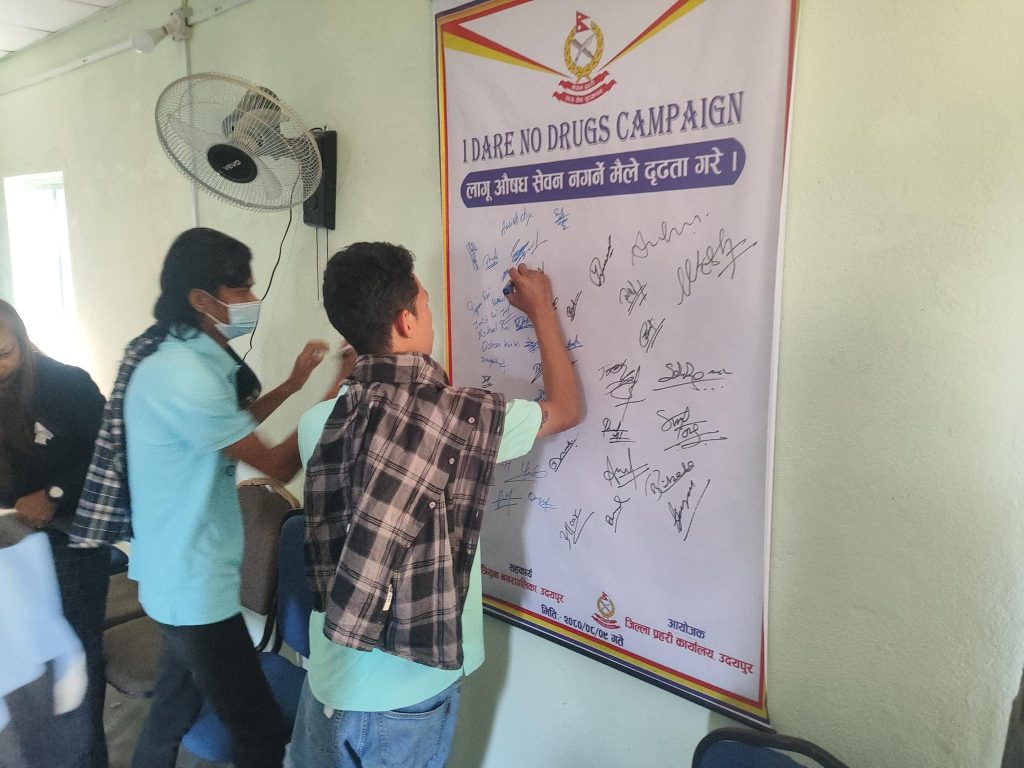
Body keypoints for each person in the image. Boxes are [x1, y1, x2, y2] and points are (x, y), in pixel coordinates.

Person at [290, 242, 582, 768]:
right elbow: (565, 409)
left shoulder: (317, 423)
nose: (430, 314)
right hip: (408, 693)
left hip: (330, 681)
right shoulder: (462, 419)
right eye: (425, 304)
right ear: (405, 322)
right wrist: (542, 311)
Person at [102, 227, 326, 768]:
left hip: (176, 577)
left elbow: (227, 429)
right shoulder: (184, 374)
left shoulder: (184, 355)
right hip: (193, 588)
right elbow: (276, 465)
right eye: (241, 290)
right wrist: (336, 398)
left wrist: (295, 384)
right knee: (258, 730)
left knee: (171, 712)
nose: (252, 299)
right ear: (201, 300)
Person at [0, 299, 108, 767]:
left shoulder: (66, 384)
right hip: (14, 547)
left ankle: (87, 757)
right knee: (29, 668)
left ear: (23, 340)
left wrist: (55, 493)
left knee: (76, 664)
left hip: (73, 542)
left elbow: (112, 454)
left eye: (4, 353)